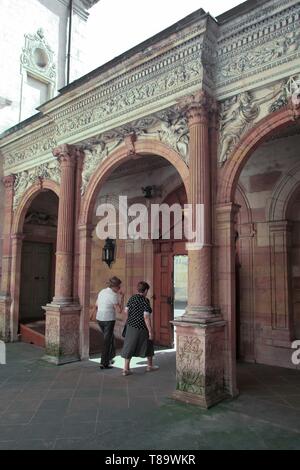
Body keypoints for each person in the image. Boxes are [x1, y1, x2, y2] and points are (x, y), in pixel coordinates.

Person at [121, 281, 159, 376]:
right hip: (141, 327)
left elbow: (126, 311)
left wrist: (131, 319)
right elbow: (146, 317)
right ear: (146, 290)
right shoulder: (145, 301)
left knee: (129, 345)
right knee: (149, 343)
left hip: (130, 325)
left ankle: (126, 369)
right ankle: (149, 366)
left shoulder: (132, 298)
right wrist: (150, 331)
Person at [95, 276, 124, 369]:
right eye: (119, 287)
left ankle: (110, 357)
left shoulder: (102, 291)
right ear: (114, 286)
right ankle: (104, 363)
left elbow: (96, 304)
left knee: (110, 338)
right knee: (107, 341)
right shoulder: (113, 295)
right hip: (108, 320)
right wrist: (122, 298)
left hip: (99, 319)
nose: (119, 288)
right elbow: (119, 310)